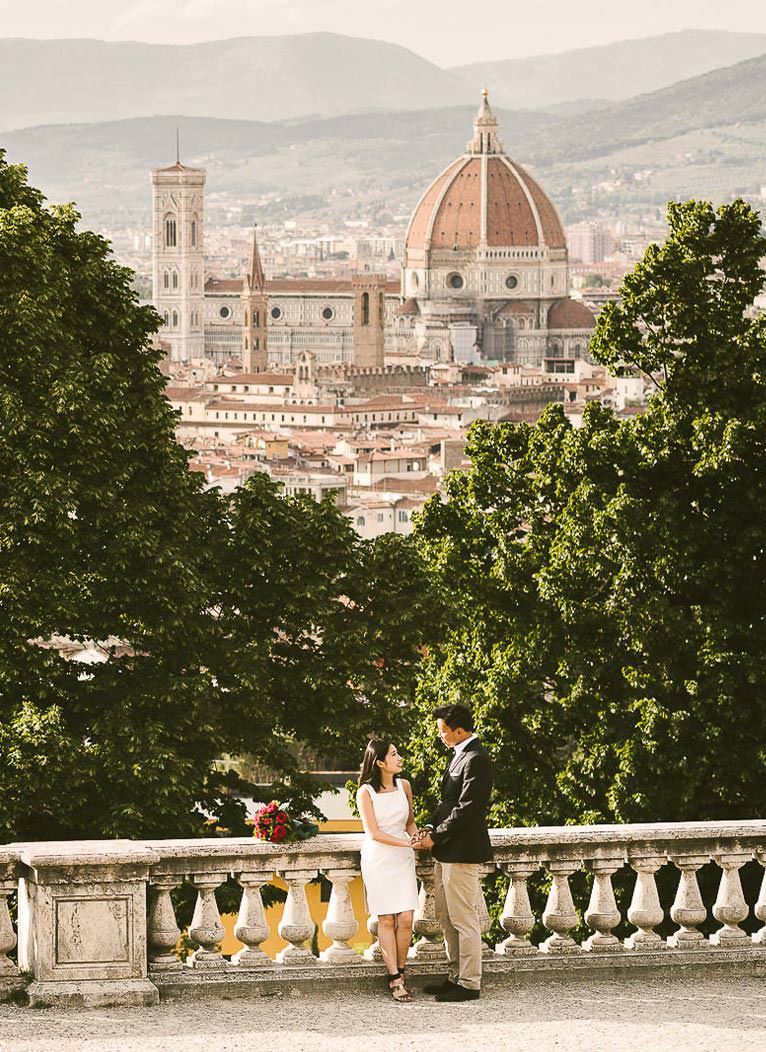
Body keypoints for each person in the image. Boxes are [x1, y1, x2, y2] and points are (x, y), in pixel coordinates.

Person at [413, 703, 493, 1002]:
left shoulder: (477, 759)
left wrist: (437, 836)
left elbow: (468, 809)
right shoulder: (459, 756)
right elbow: (447, 802)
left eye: (443, 731)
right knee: (446, 918)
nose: (440, 736)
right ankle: (455, 975)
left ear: (460, 730)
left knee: (464, 920)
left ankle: (470, 983)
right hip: (447, 849)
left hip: (462, 850)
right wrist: (431, 826)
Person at [357, 737, 422, 1002]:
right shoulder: (365, 792)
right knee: (386, 920)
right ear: (380, 762)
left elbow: (410, 823)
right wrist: (407, 843)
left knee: (406, 918)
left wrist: (417, 838)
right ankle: (394, 978)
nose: (399, 758)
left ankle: (402, 970)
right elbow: (373, 832)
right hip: (379, 859)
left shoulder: (405, 786)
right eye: (394, 755)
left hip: (404, 857)